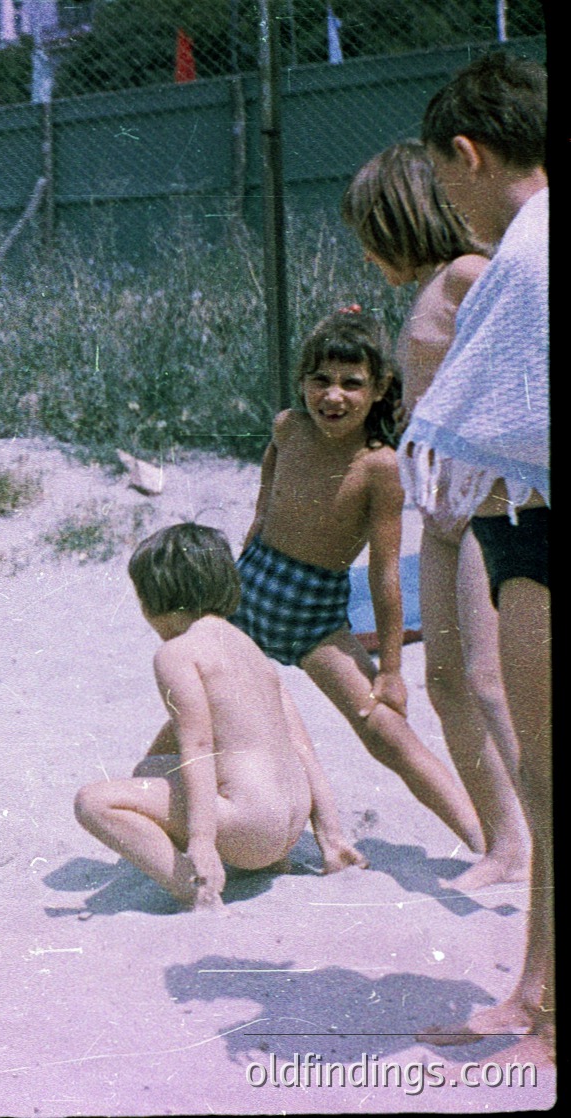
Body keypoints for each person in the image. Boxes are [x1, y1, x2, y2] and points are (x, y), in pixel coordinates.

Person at [406, 52, 549, 1063]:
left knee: (548, 778)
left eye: (448, 181)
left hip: (536, 527)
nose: (452, 205)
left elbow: (474, 422)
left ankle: (542, 1007)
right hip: (527, 521)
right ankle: (537, 986)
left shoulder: (527, 257)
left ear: (470, 152)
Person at [341, 142, 528, 892]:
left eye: (368, 233)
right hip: (439, 503)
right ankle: (506, 843)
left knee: (488, 678)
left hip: (487, 497)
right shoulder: (431, 289)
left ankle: (545, 834)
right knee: (445, 679)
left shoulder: (468, 276)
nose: (364, 251)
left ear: (398, 220)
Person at [233, 308, 482, 852]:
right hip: (247, 598)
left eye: (352, 383)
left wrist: (392, 670)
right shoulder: (287, 427)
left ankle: (482, 837)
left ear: (378, 391)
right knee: (199, 702)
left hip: (316, 617)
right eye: (320, 380)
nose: (333, 396)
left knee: (383, 730)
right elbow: (261, 508)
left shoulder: (380, 467)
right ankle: (150, 789)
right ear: (301, 382)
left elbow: (386, 574)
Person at [74, 524, 367, 911]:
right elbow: (300, 746)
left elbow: (198, 745)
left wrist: (202, 840)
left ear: (151, 601)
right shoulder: (252, 651)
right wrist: (330, 836)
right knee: (150, 767)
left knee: (93, 802)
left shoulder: (178, 653)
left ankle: (195, 887)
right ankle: (270, 858)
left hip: (250, 826)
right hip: (290, 827)